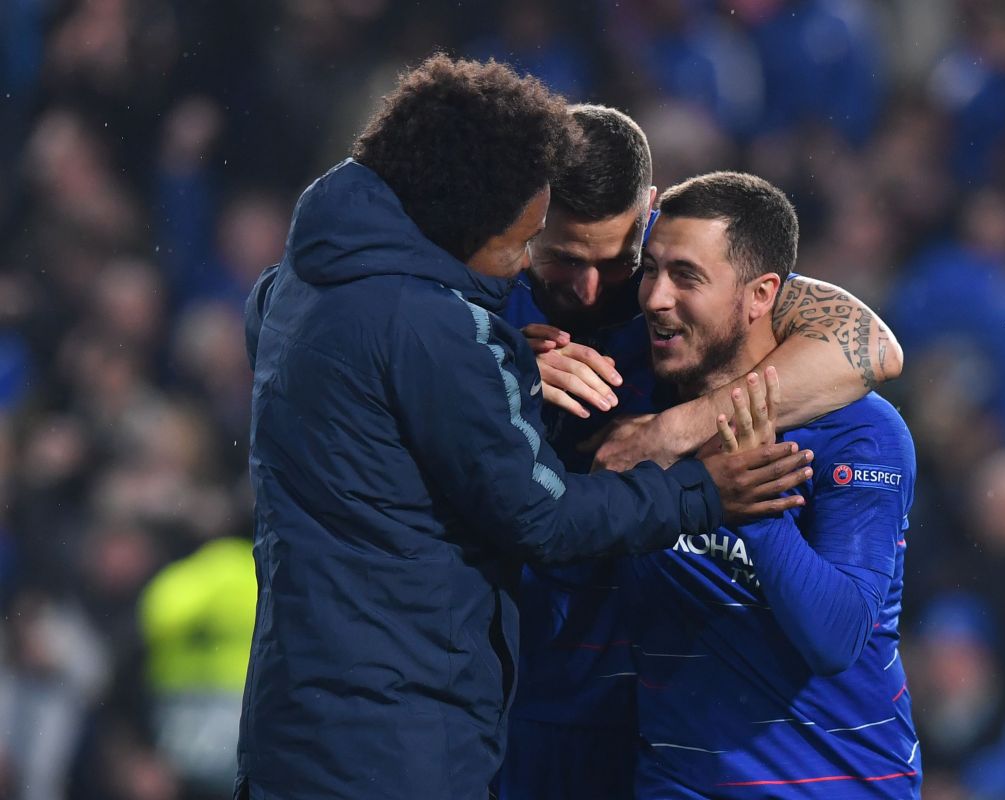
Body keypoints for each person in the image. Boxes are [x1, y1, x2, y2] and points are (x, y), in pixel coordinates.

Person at [234, 57, 811, 800]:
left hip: (301, 712)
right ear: (464, 214)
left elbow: (872, 346)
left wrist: (508, 371)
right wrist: (699, 491)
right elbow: (542, 516)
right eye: (526, 244)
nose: (516, 270)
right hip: (397, 729)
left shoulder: (296, 284)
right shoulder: (436, 323)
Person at [497, 106, 905, 799]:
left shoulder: (847, 423)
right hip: (563, 721)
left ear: (645, 216)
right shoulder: (483, 299)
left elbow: (873, 345)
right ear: (526, 219)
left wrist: (675, 436)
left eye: (619, 263)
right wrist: (497, 374)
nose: (598, 291)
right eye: (564, 258)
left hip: (802, 771)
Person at [626, 172, 919, 798]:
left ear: (761, 295)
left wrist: (755, 508)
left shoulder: (858, 430)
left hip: (834, 784)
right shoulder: (636, 408)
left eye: (686, 276)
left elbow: (836, 637)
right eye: (650, 271)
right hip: (677, 781)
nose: (655, 297)